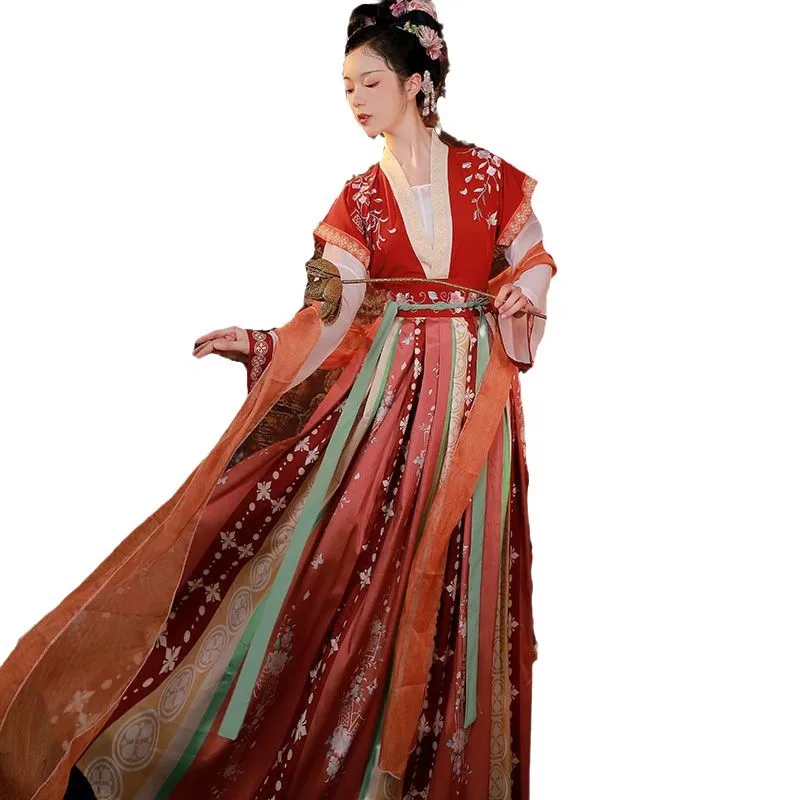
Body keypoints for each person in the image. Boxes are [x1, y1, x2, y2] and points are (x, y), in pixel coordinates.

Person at [0, 1, 557, 797]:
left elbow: (533, 261)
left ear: (417, 81)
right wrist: (263, 345)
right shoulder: (360, 199)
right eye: (346, 86)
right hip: (384, 417)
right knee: (346, 561)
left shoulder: (493, 178)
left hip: (474, 417)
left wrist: (523, 296)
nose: (355, 98)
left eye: (370, 81)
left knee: (459, 577)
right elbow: (330, 314)